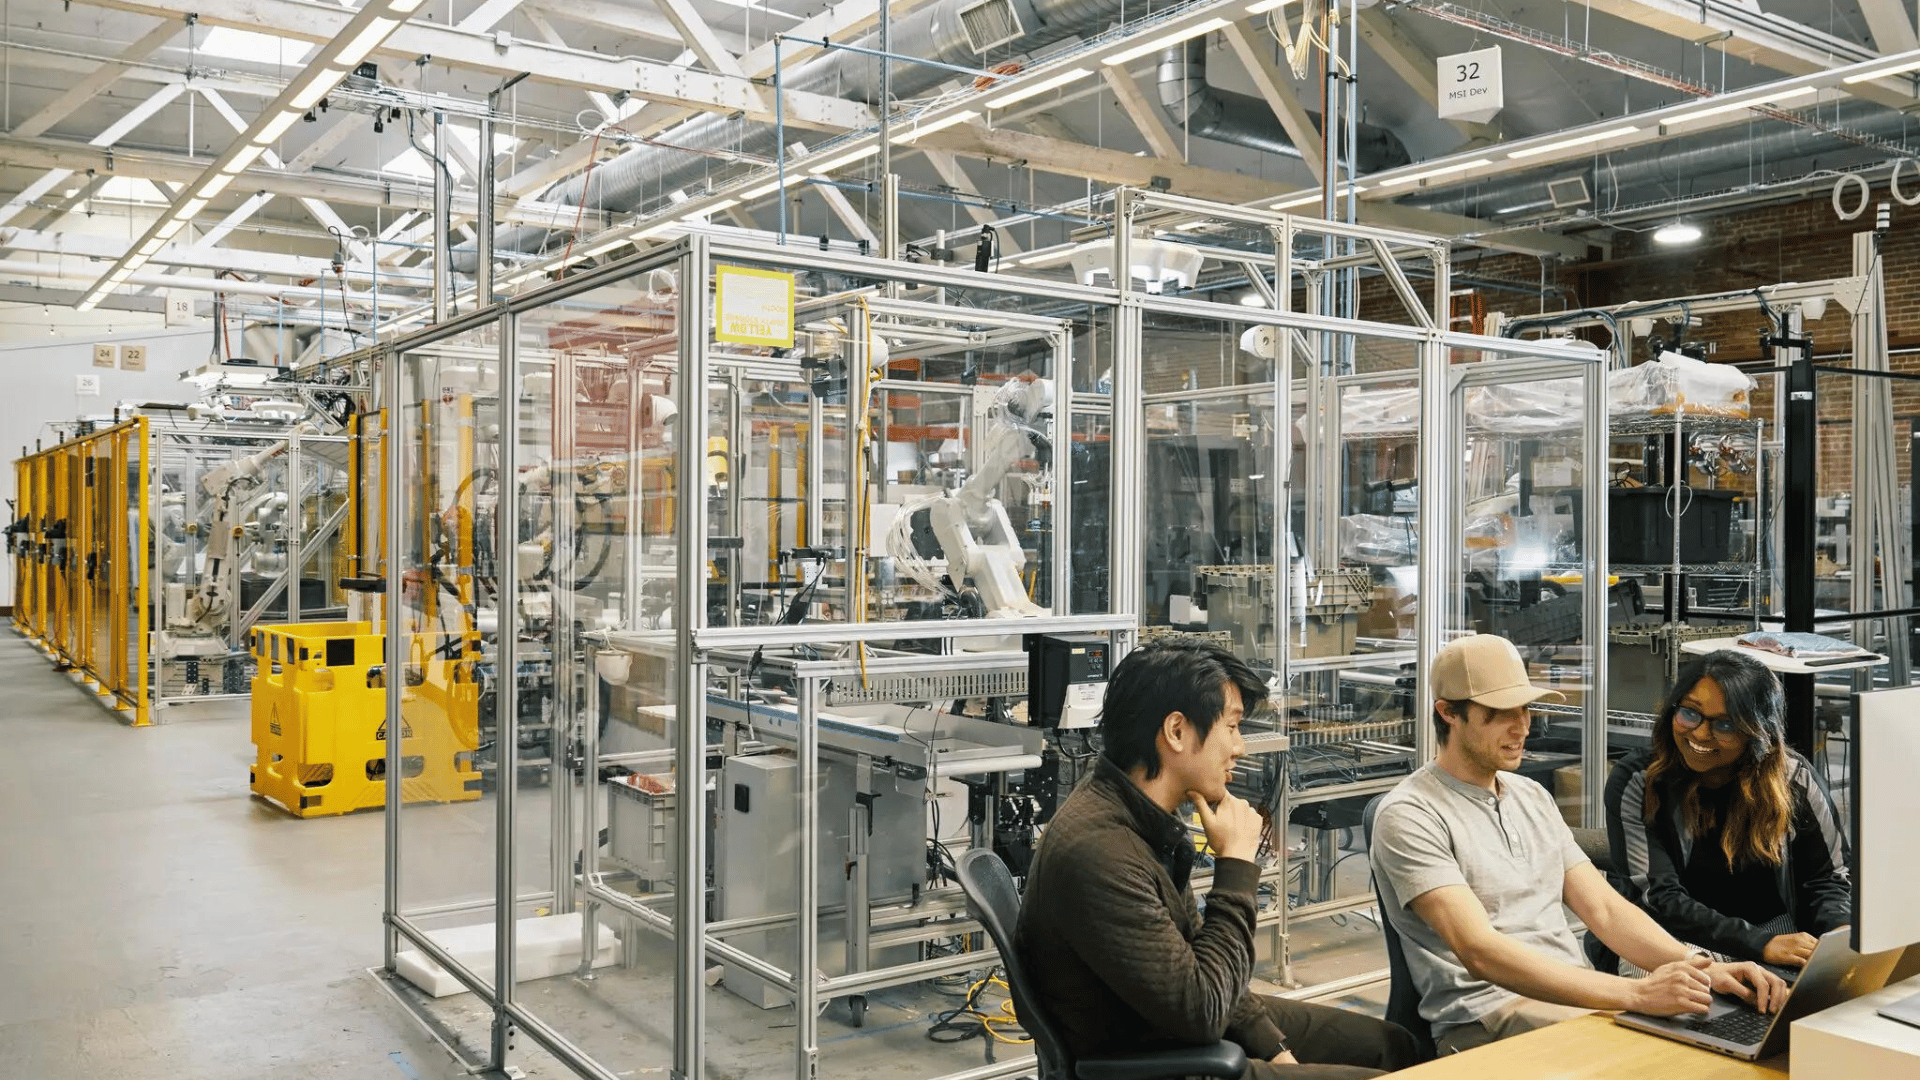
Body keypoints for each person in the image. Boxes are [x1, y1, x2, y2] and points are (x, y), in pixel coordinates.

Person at [1020, 638, 1420, 1078]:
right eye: (1232, 728)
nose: (1241, 748)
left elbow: (1203, 957)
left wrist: (1274, 1049)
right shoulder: (1100, 852)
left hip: (1181, 1022)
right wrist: (1236, 867)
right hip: (1160, 1059)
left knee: (1393, 1047)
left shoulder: (1141, 815)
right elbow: (1202, 1010)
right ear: (1176, 732)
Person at [1369, 634, 1787, 1055]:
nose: (1523, 727)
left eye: (1525, 709)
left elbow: (1604, 910)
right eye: (1499, 714)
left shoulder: (1530, 795)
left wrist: (1701, 968)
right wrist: (1637, 996)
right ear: (1448, 713)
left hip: (1575, 999)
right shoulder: (1410, 815)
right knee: (1666, 1059)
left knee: (1747, 1042)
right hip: (1488, 1019)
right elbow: (1481, 952)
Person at [1605, 649, 1851, 969]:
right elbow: (1658, 899)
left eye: (1725, 724)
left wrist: (1839, 933)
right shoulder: (1639, 781)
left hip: (1775, 929)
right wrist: (1759, 945)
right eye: (1690, 713)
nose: (1701, 734)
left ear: (1757, 733)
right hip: (1672, 935)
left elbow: (1828, 878)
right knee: (1664, 991)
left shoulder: (1794, 778)